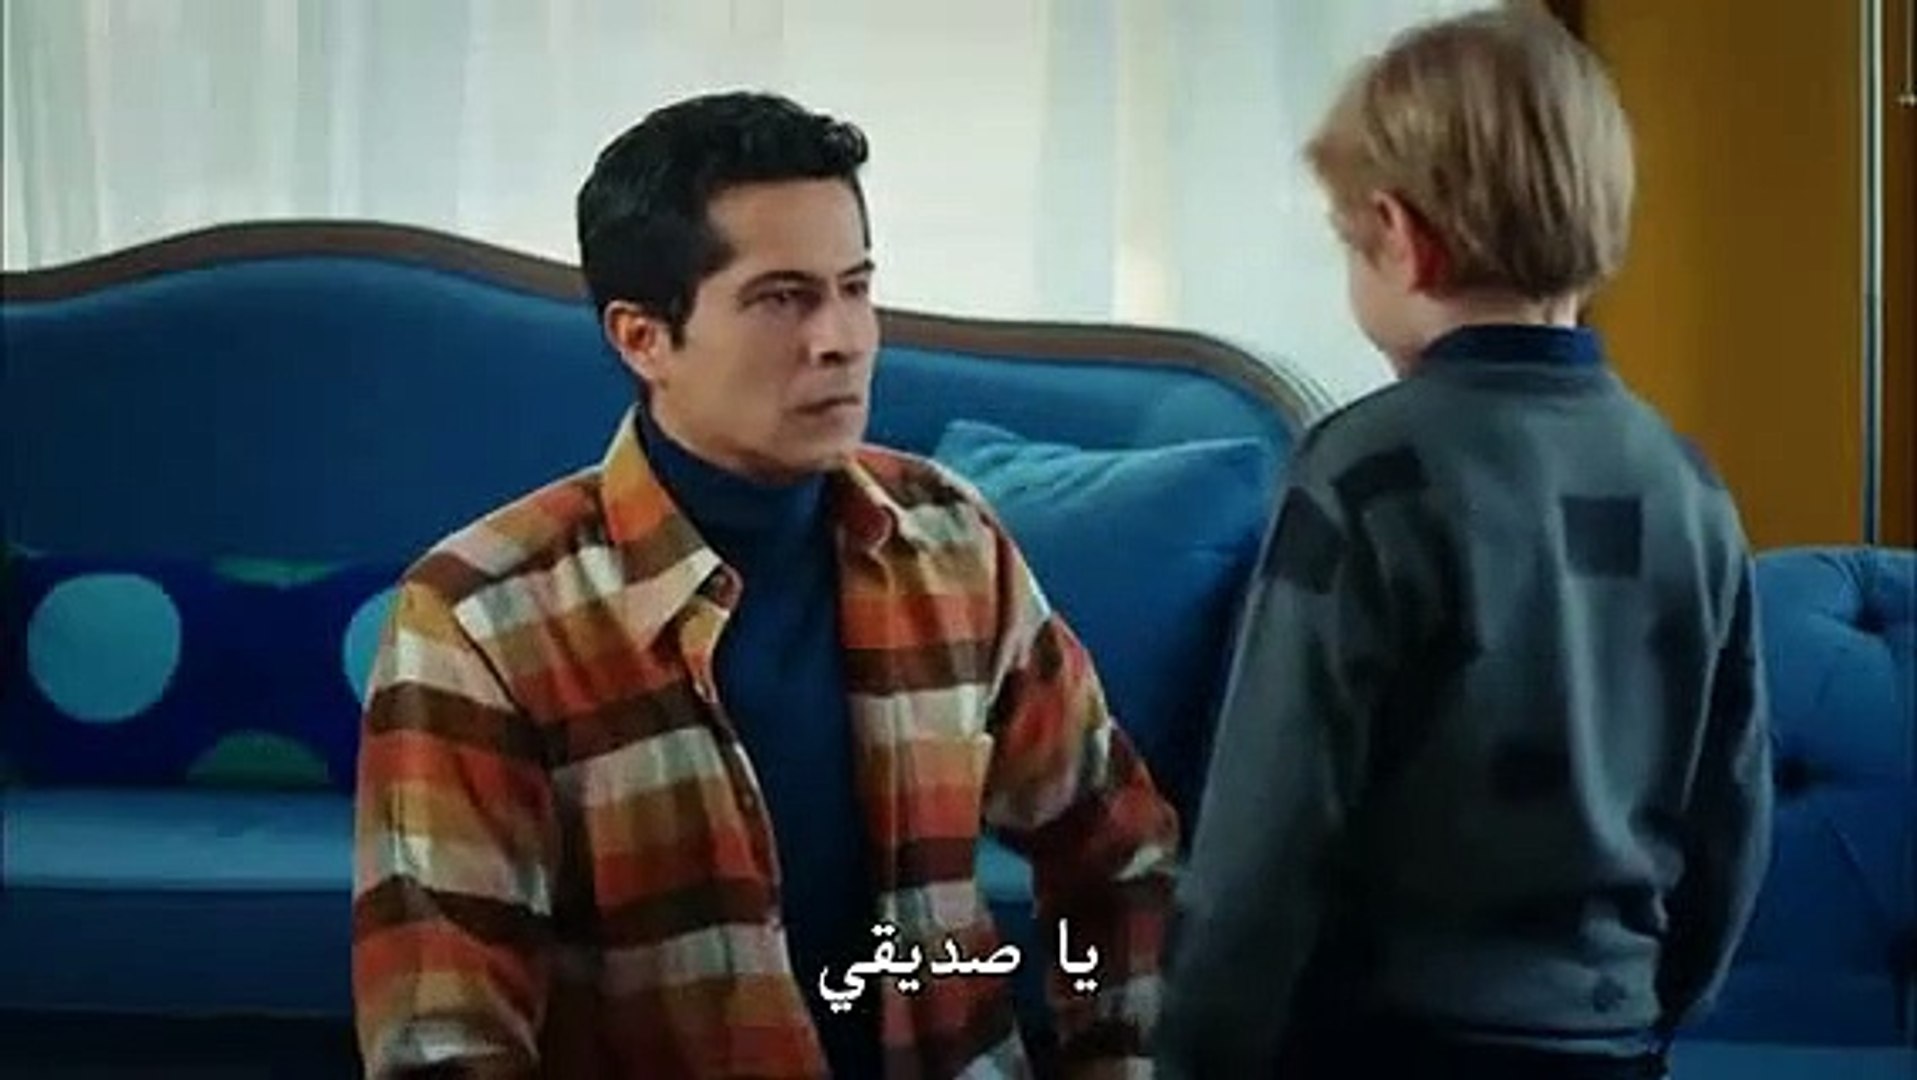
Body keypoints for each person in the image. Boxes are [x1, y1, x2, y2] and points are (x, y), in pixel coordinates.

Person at [350, 91, 1178, 1078]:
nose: (841, 338)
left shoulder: (950, 538)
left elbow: (1116, 849)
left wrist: (1114, 1061)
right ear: (642, 338)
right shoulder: (480, 618)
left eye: (855, 288)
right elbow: (444, 1036)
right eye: (782, 298)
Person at [1155, 10, 1771, 1079]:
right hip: (1610, 1037)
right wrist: (1647, 1010)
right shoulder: (1686, 483)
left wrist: (1197, 1052)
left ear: (1399, 235)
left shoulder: (1363, 475)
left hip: (1387, 1043)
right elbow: (1732, 805)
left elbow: (1269, 825)